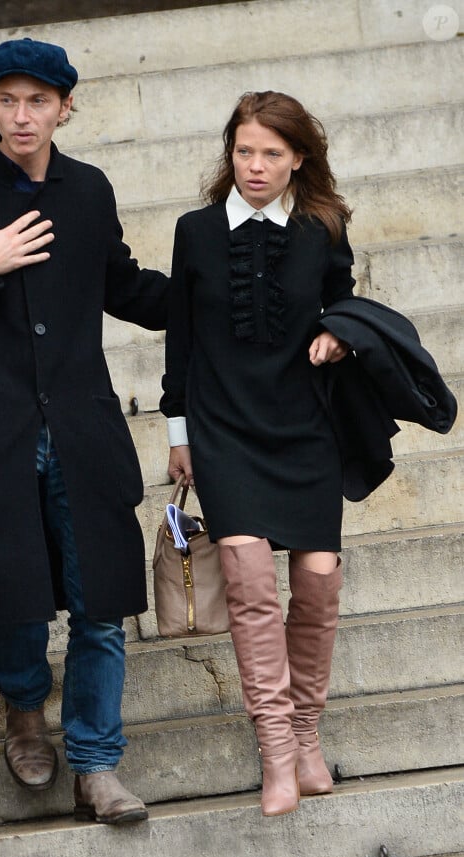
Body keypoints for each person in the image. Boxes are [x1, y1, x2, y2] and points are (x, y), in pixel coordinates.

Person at [0, 38, 168, 825]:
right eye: (8, 100)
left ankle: (96, 763)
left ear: (65, 107)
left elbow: (121, 282)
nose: (23, 115)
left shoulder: (87, 190)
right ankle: (22, 710)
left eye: (38, 101)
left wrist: (213, 294)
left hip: (81, 430)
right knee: (13, 599)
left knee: (101, 605)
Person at [160, 90, 354, 817]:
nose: (256, 165)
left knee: (317, 582)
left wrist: (339, 332)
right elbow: (180, 336)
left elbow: (347, 301)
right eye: (245, 151)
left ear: (298, 158)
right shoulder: (195, 231)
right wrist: (179, 434)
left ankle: (307, 731)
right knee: (247, 579)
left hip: (307, 428)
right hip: (224, 429)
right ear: (230, 152)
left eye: (272, 153)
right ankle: (276, 750)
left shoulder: (324, 228)